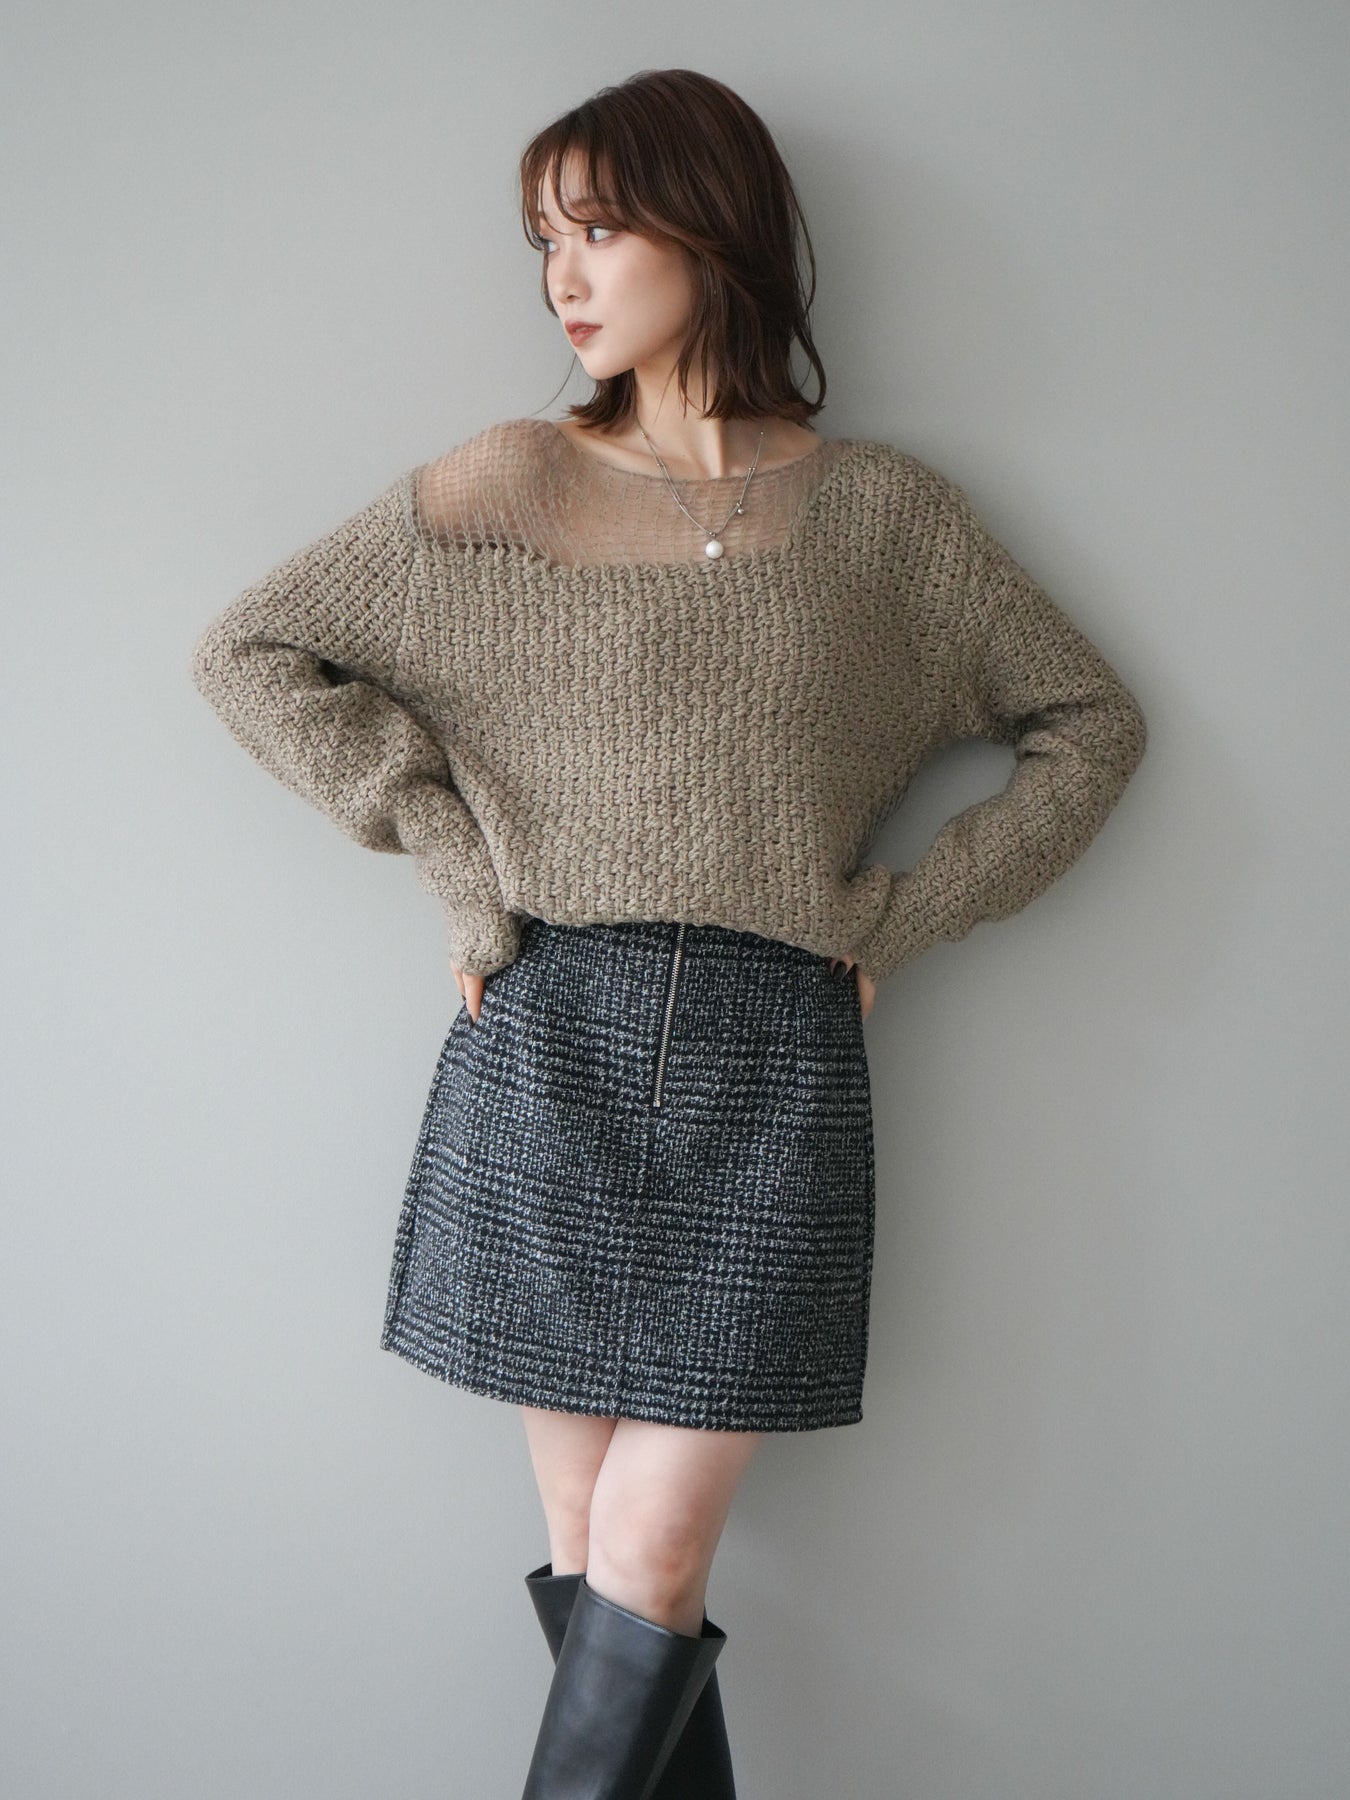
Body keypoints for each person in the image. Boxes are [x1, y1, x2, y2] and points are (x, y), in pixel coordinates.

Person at [189, 66, 1147, 1800]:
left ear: (712, 230)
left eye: (599, 229)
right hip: (544, 1039)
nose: (561, 276)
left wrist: (908, 915)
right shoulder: (502, 486)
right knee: (596, 1549)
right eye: (541, 241)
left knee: (645, 1552)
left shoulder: (886, 520)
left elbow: (1088, 724)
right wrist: (451, 860)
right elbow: (250, 651)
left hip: (774, 1066)